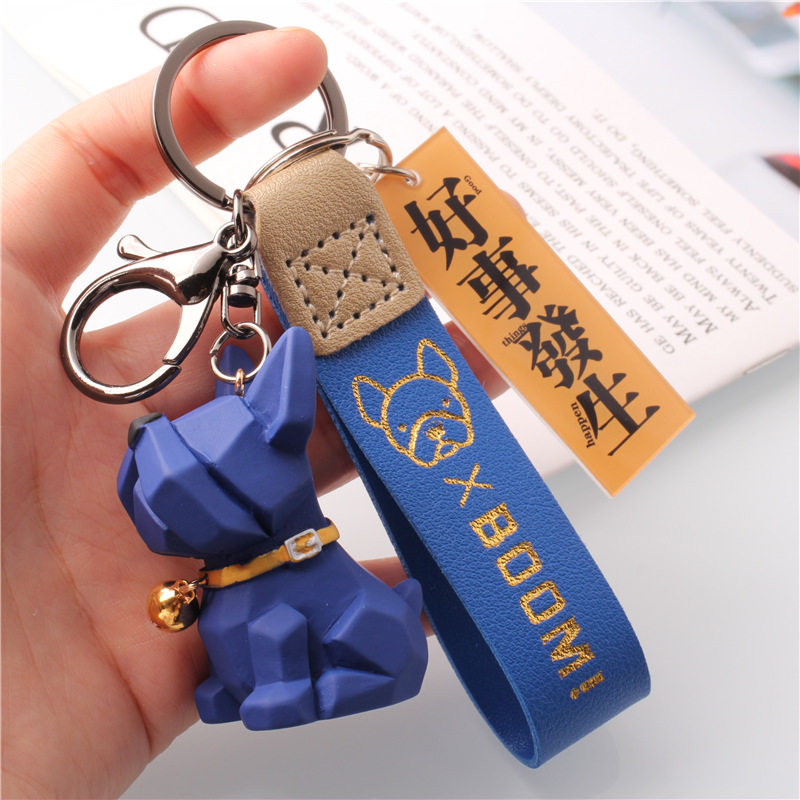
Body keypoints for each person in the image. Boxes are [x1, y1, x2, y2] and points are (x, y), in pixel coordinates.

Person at [1, 27, 503, 799]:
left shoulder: (255, 554)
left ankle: (333, 678)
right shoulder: (224, 568)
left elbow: (271, 627)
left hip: (362, 644)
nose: (158, 489)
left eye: (195, 474)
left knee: (311, 633)